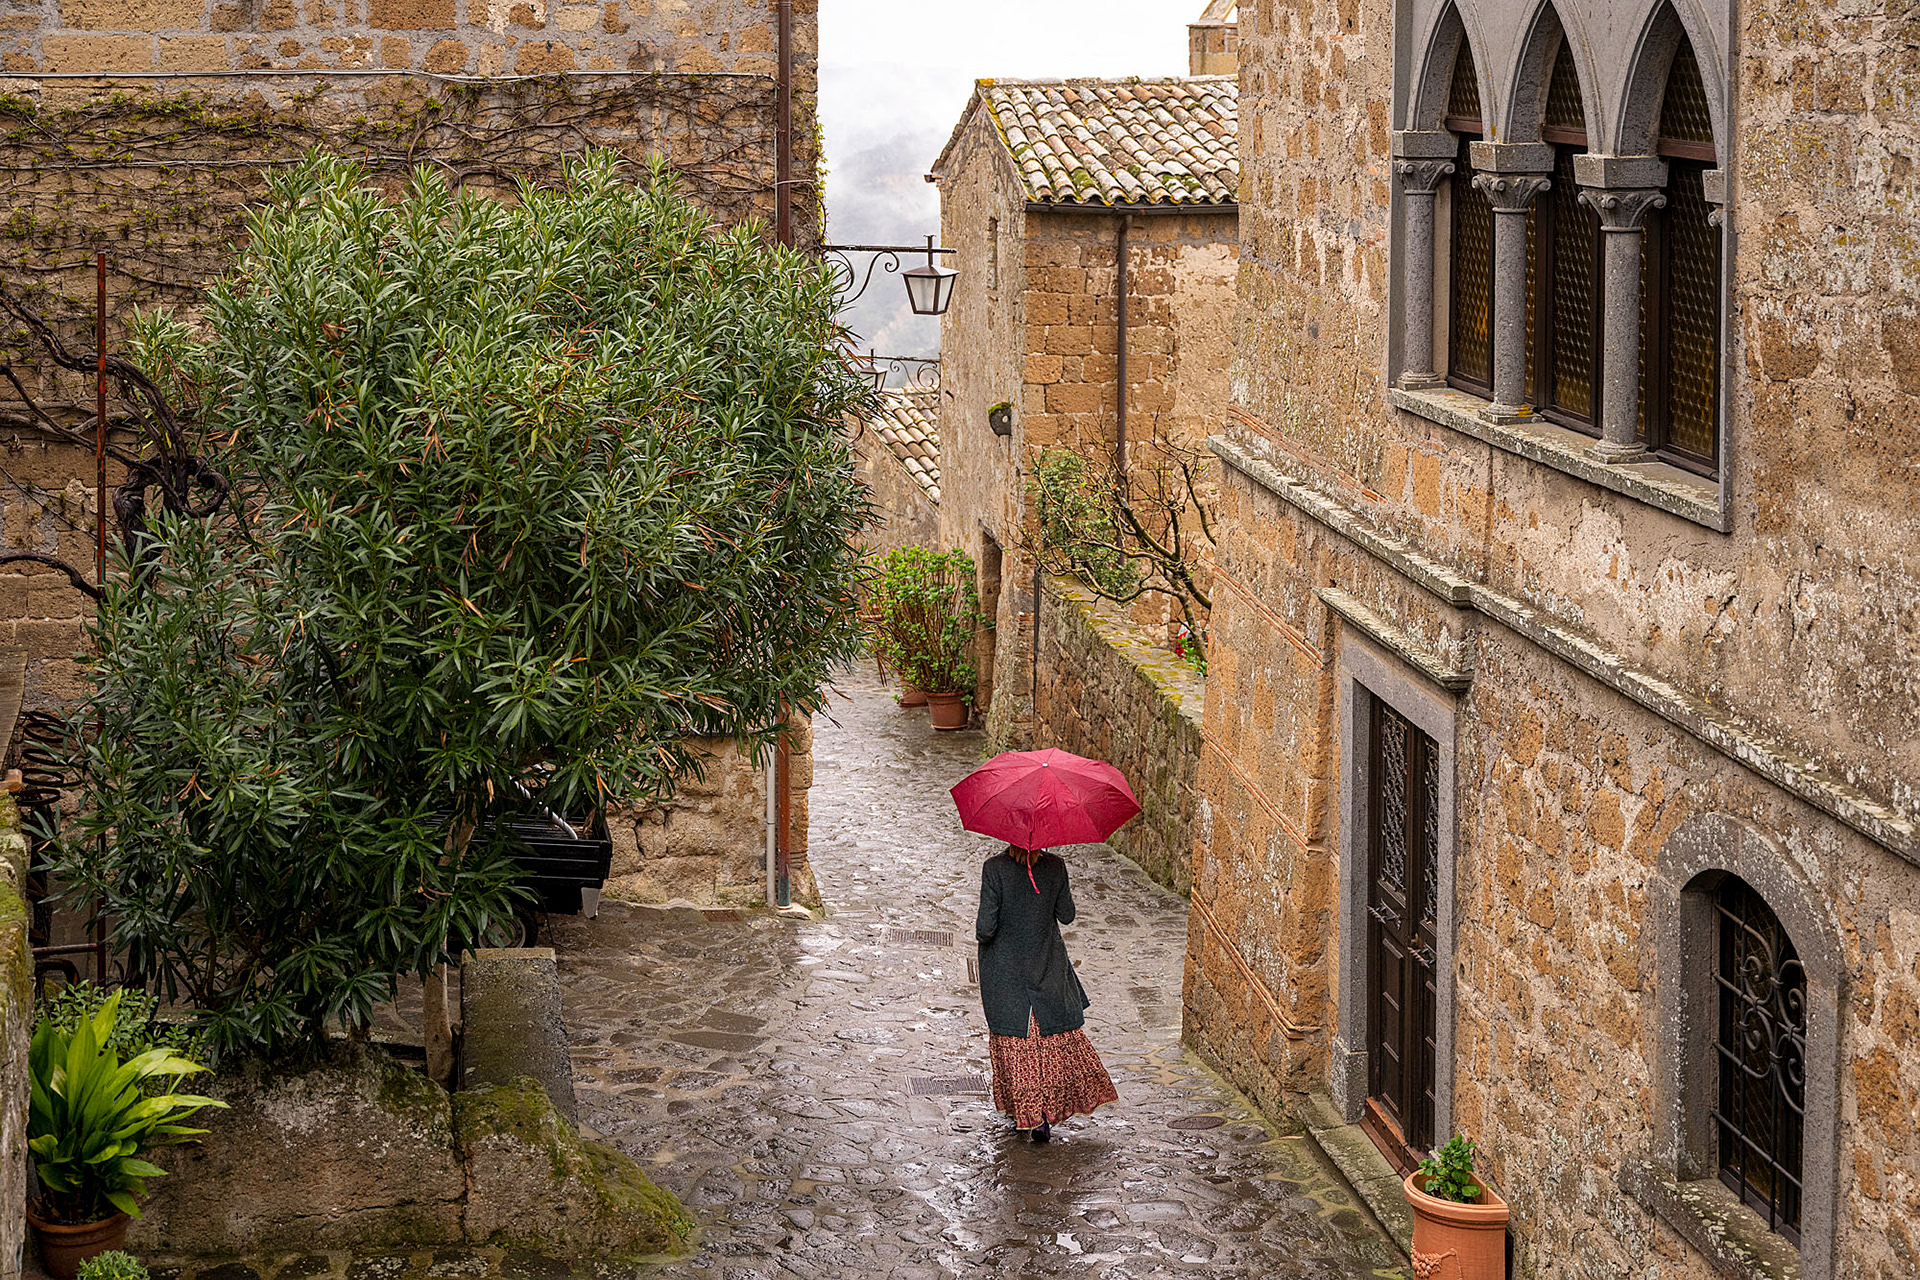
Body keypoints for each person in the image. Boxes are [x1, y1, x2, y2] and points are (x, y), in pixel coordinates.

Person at [974, 843, 1118, 1142]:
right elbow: (1067, 915)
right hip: (1047, 967)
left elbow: (985, 929)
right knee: (1048, 1040)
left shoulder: (994, 869)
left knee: (1017, 1041)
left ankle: (1026, 1113)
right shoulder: (1055, 867)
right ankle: (1044, 1116)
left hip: (1006, 974)